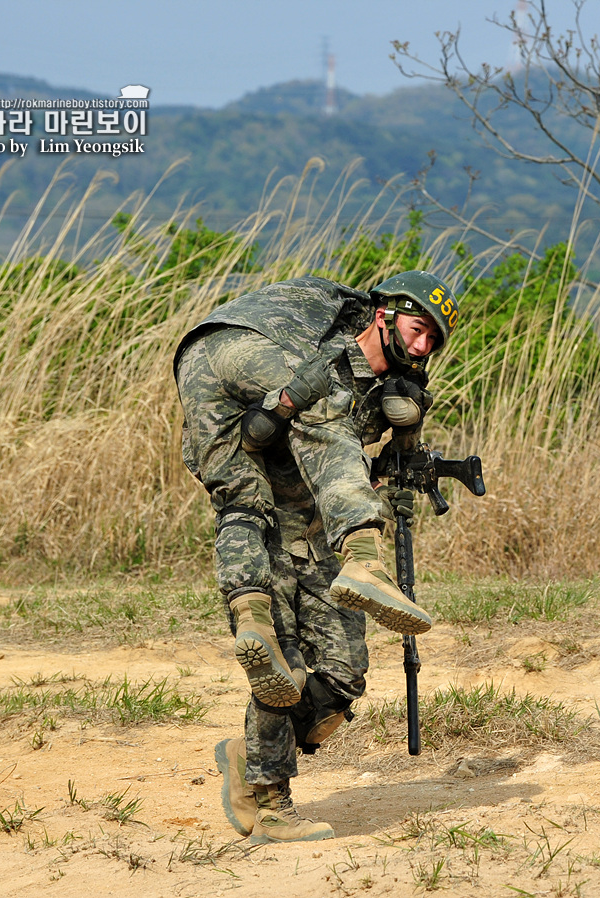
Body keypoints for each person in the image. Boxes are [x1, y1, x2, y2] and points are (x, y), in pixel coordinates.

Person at [172, 270, 458, 844]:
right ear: (385, 314)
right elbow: (322, 422)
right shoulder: (331, 350)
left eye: (434, 340)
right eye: (417, 327)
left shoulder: (389, 389)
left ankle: (248, 754)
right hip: (233, 346)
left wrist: (407, 456)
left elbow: (283, 442)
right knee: (284, 667)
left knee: (339, 679)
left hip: (292, 510)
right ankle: (273, 801)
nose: (424, 346)